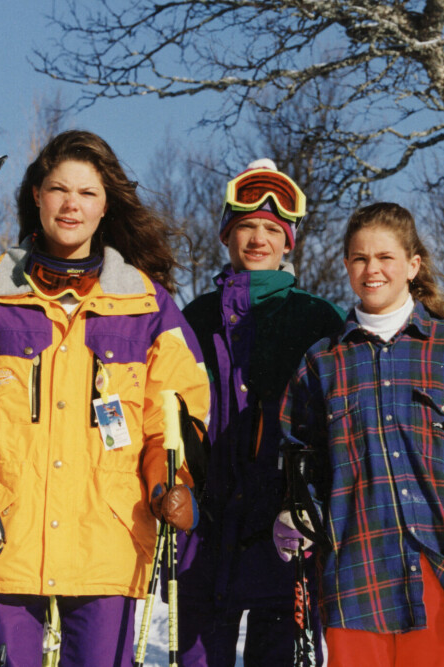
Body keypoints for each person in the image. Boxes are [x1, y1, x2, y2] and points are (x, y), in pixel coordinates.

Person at [0, 130, 210, 667]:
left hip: (109, 539)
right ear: (36, 198)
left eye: (87, 193)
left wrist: (173, 479)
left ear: (105, 205)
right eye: (58, 189)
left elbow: (177, 415)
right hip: (4, 536)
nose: (72, 204)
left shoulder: (146, 305)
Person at [276, 203, 444, 667]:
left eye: (385, 257)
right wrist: (294, 508)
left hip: (439, 568)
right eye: (359, 258)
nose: (372, 269)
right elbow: (297, 452)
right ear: (347, 266)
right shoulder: (322, 361)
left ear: (413, 265)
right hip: (355, 573)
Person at [175, 159, 345, 666]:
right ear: (227, 235)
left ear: (289, 241)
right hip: (207, 527)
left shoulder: (316, 318)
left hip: (285, 527)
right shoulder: (194, 318)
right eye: (245, 226)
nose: (258, 239)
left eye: (272, 229)